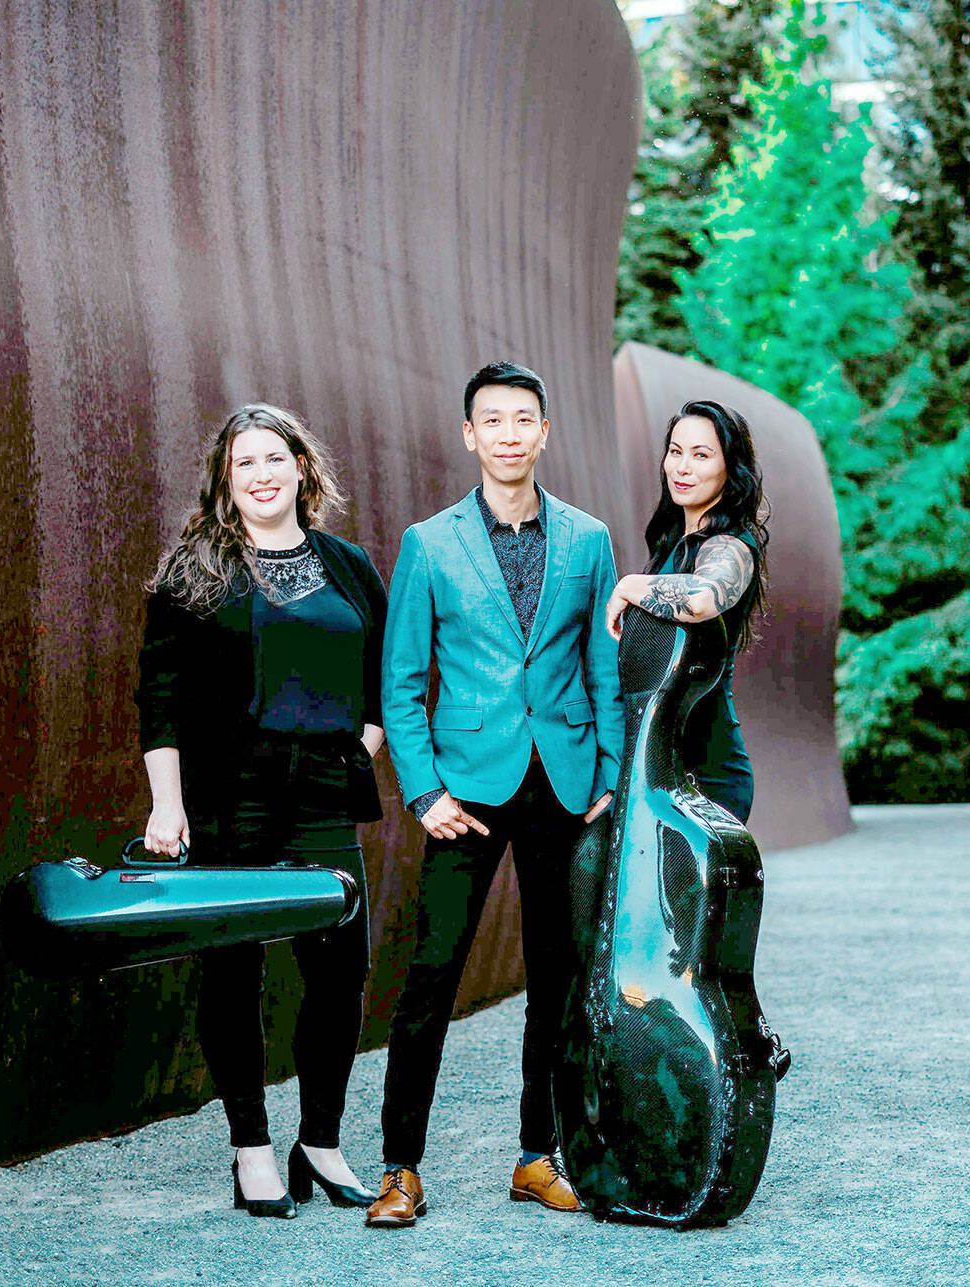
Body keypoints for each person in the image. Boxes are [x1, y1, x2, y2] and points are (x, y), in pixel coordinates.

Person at [365, 361, 624, 1227]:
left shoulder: (589, 540)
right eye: (493, 420)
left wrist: (610, 775)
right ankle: (401, 1167)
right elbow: (402, 681)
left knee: (557, 977)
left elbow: (603, 667)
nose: (509, 434)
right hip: (464, 789)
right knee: (431, 973)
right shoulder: (428, 543)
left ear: (544, 432)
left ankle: (538, 1156)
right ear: (469, 434)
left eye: (524, 419)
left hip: (564, 782)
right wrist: (422, 791)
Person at [136, 404, 387, 1219]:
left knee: (340, 971)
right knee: (233, 968)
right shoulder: (195, 572)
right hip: (229, 794)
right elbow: (159, 698)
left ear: (302, 467)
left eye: (274, 457)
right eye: (244, 462)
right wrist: (166, 803)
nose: (262, 474)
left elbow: (383, 679)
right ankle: (251, 1149)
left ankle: (321, 1141)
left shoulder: (349, 566)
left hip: (322, 793)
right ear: (226, 479)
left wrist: (359, 752)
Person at [605, 398, 768, 823]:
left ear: (730, 468)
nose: (682, 467)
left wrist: (629, 585)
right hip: (656, 768)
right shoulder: (672, 545)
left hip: (707, 777)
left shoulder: (732, 545)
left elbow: (700, 598)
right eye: (675, 451)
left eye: (701, 455)